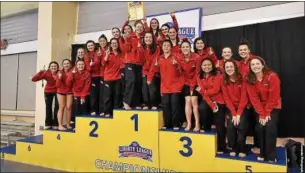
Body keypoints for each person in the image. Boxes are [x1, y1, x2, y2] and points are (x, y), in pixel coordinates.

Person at [246, 56, 281, 163]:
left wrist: (266, 113)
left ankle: (271, 155)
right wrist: (261, 114)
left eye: (257, 64)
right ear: (250, 67)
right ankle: (262, 153)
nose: (255, 66)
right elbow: (254, 98)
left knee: (270, 126)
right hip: (260, 108)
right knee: (260, 127)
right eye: (252, 64)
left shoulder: (272, 76)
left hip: (273, 106)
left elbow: (274, 97)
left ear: (262, 65)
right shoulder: (249, 79)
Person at [196, 58, 226, 153]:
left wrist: (203, 91)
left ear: (212, 66)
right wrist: (212, 105)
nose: (207, 67)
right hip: (208, 99)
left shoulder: (218, 74)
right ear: (201, 66)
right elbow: (203, 94)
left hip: (219, 99)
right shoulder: (199, 76)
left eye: (209, 65)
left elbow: (216, 90)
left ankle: (221, 146)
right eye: (204, 65)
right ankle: (206, 128)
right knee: (202, 108)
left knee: (220, 124)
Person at [222, 60, 249, 157]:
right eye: (227, 67)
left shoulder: (242, 79)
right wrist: (233, 113)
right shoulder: (224, 80)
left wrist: (238, 114)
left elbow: (244, 97)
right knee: (231, 126)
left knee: (241, 125)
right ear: (224, 69)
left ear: (235, 68)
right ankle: (233, 147)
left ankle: (242, 147)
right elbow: (226, 98)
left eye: (231, 66)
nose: (229, 69)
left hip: (243, 106)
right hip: (231, 107)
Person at [237, 38, 260, 154]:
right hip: (245, 100)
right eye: (241, 50)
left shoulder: (256, 61)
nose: (243, 52)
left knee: (258, 126)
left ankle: (258, 146)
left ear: (249, 50)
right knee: (242, 125)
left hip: (256, 99)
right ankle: (242, 149)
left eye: (245, 50)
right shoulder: (239, 64)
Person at [120, 20, 145, 109]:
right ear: (135, 28)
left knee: (138, 83)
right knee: (131, 81)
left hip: (139, 63)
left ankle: (136, 103)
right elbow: (126, 50)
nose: (139, 28)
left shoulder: (143, 37)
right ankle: (126, 101)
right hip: (130, 62)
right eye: (138, 27)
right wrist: (126, 39)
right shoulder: (130, 36)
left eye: (141, 27)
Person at [177, 39, 200, 132]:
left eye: (187, 47)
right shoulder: (179, 57)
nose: (185, 48)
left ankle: (197, 123)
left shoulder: (197, 57)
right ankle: (189, 123)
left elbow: (198, 72)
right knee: (187, 101)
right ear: (181, 48)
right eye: (183, 47)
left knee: (194, 100)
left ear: (190, 48)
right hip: (186, 82)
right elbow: (181, 73)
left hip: (195, 81)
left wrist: (192, 85)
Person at [32, 61, 59, 129]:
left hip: (58, 92)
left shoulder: (60, 73)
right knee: (48, 107)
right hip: (48, 91)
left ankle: (56, 123)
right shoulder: (46, 73)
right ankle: (48, 123)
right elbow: (33, 79)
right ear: (49, 67)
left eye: (55, 66)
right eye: (52, 66)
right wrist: (41, 71)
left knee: (57, 107)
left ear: (58, 67)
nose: (53, 67)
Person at [102, 38, 123, 117]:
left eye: (116, 43)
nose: (114, 44)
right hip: (108, 78)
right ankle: (107, 112)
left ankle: (116, 112)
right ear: (110, 45)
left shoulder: (121, 54)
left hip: (118, 78)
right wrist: (107, 56)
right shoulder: (107, 53)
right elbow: (103, 64)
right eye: (113, 43)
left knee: (117, 95)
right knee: (108, 96)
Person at [140, 32, 161, 110]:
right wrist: (140, 50)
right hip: (145, 71)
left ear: (153, 39)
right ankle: (146, 103)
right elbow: (141, 61)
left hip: (153, 72)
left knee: (152, 89)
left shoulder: (157, 48)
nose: (148, 39)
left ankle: (154, 104)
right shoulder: (142, 48)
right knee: (144, 89)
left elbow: (153, 64)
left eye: (150, 37)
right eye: (146, 37)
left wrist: (149, 77)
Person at [56, 59, 73, 130]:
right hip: (61, 91)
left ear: (70, 64)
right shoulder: (59, 72)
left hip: (69, 91)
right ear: (62, 65)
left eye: (68, 63)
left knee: (69, 108)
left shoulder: (72, 71)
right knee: (61, 107)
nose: (66, 65)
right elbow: (57, 85)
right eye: (65, 64)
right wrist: (59, 78)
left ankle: (68, 124)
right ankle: (60, 125)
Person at [84, 40, 101, 115]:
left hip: (101, 76)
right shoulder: (86, 56)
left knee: (101, 94)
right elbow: (88, 69)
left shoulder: (98, 52)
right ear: (87, 47)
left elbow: (102, 64)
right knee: (93, 94)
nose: (90, 47)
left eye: (91, 45)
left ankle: (101, 110)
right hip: (92, 77)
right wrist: (91, 65)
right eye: (89, 46)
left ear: (94, 45)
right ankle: (93, 110)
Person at [97, 34, 109, 116]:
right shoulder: (97, 51)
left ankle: (108, 110)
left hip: (109, 74)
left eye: (104, 41)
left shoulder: (109, 49)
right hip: (101, 74)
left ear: (106, 41)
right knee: (102, 93)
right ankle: (102, 110)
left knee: (108, 93)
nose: (102, 42)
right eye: (100, 41)